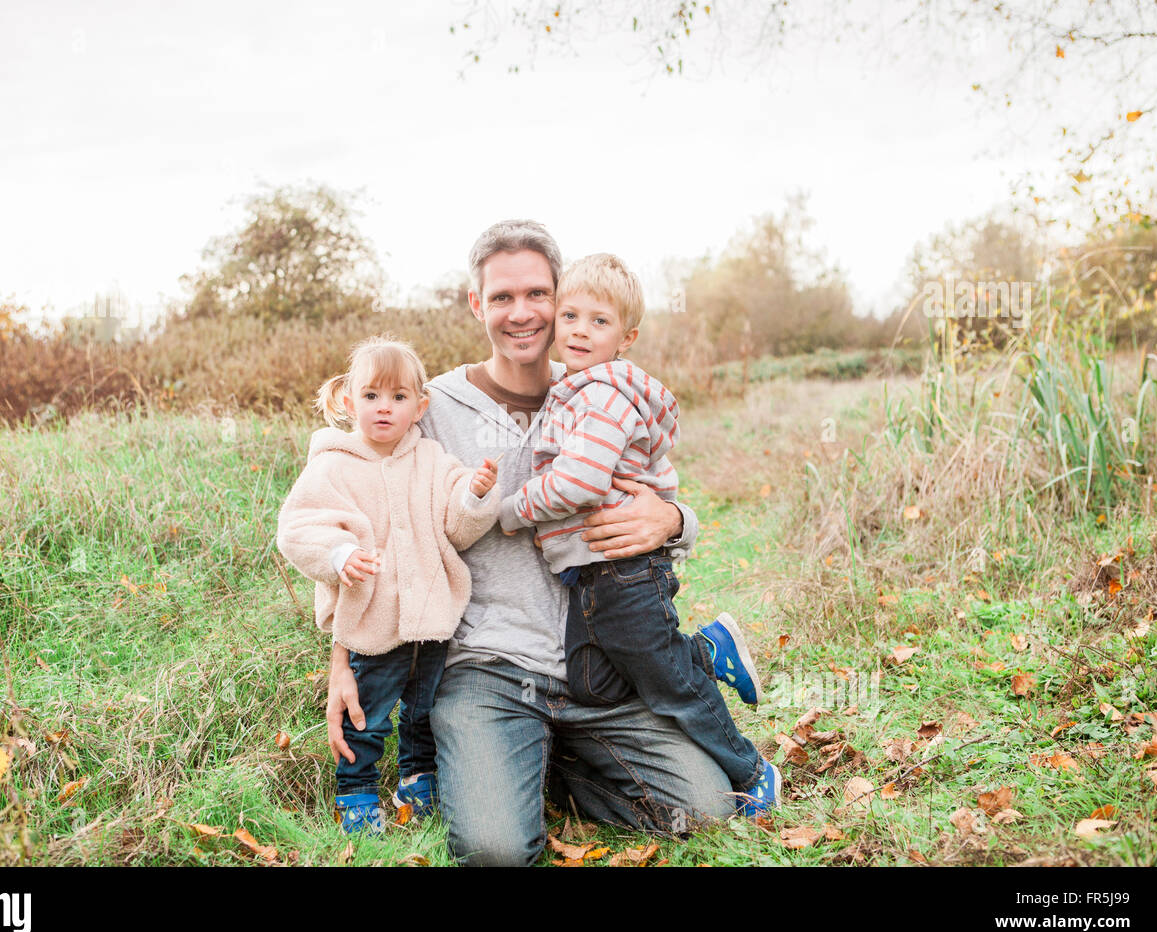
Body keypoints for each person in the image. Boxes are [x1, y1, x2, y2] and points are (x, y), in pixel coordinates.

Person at [326, 221, 772, 866]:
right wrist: (344, 658)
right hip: (490, 667)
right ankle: (504, 757)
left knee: (703, 809)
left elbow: (652, 489)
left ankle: (542, 764)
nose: (522, 313)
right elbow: (368, 517)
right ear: (477, 304)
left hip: (600, 667)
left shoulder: (601, 386)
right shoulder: (435, 407)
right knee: (496, 851)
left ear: (560, 298)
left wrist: (675, 522)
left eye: (538, 293)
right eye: (502, 297)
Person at [496, 251, 779, 809]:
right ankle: (706, 651)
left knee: (670, 684)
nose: (579, 331)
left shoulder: (603, 395)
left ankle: (750, 769)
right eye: (571, 316)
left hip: (622, 571)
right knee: (592, 683)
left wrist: (512, 510)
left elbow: (578, 482)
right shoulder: (573, 389)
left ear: (626, 337)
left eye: (599, 322)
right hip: (588, 578)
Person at [275, 335, 501, 834]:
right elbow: (297, 528)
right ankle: (355, 790)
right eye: (372, 395)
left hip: (432, 620)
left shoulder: (432, 460)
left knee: (424, 710)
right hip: (372, 620)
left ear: (419, 407)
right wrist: (339, 554)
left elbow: (457, 526)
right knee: (369, 714)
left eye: (399, 397)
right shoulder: (334, 464)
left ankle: (416, 779)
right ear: (348, 400)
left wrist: (475, 494)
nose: (384, 408)